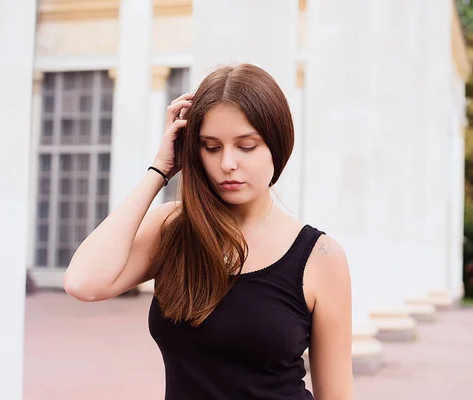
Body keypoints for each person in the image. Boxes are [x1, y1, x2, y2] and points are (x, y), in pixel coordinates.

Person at [63, 63, 354, 399]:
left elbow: (337, 395)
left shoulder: (320, 257)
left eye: (246, 146)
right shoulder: (173, 228)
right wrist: (160, 169)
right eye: (211, 147)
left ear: (277, 144)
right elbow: (82, 282)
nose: (227, 163)